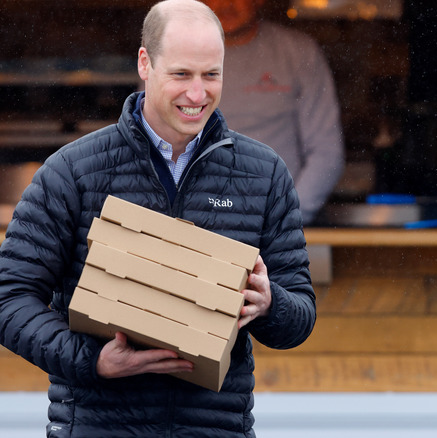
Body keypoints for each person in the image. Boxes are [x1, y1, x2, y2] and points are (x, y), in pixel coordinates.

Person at [0, 0, 315, 436]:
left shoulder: (263, 174)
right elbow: (9, 299)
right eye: (182, 74)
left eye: (211, 75)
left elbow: (299, 316)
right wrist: (92, 361)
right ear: (145, 64)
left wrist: (270, 304)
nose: (197, 94)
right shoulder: (72, 172)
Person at [202, 0, 345, 225]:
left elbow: (326, 152)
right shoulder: (173, 55)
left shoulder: (298, 52)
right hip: (197, 229)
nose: (225, 5)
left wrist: (285, 221)